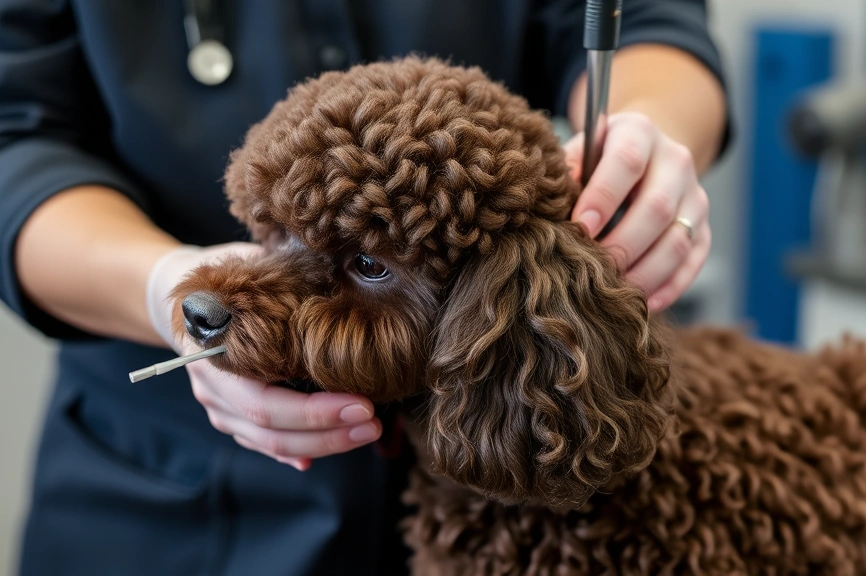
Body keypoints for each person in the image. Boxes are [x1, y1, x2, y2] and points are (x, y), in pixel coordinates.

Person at [0, 1, 729, 574]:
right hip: (159, 497)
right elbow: (14, 138)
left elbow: (648, 19)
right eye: (275, 235)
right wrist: (157, 282)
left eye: (369, 265)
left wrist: (645, 139)